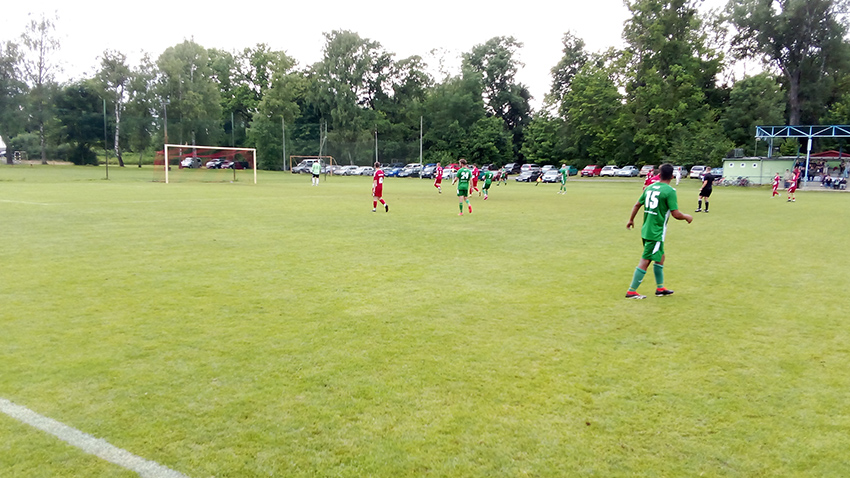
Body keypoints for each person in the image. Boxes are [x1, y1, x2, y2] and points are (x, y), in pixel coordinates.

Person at [625, 163, 693, 299]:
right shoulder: (669, 191)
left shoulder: (649, 187)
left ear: (659, 174)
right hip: (656, 231)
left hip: (646, 229)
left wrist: (631, 220)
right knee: (646, 259)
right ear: (672, 176)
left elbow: (637, 204)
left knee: (660, 257)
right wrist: (686, 217)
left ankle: (660, 288)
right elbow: (675, 214)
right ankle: (631, 291)